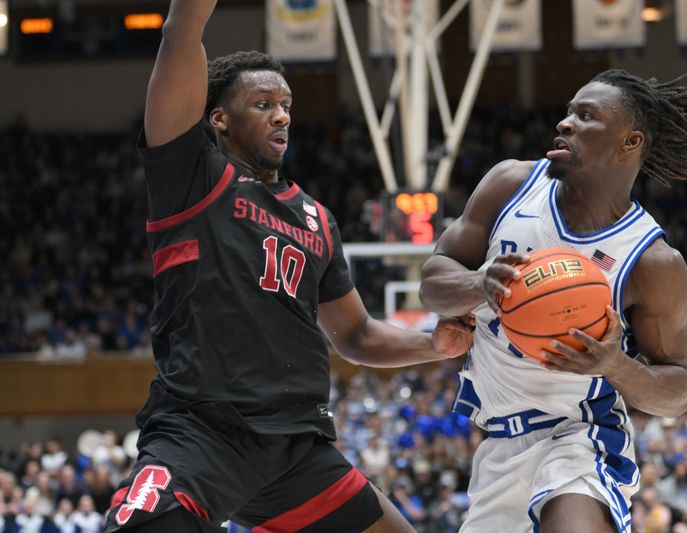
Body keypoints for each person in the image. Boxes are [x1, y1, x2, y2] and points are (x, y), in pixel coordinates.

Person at [103, 1, 473, 532]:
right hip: (206, 431)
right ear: (219, 118)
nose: (281, 115)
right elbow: (181, 34)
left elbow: (356, 335)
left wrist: (433, 345)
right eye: (263, 104)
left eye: (286, 104)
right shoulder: (192, 178)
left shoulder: (317, 219)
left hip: (296, 450)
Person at [419, 70, 687, 532]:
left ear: (630, 141)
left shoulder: (651, 261)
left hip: (581, 436)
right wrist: (479, 284)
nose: (565, 123)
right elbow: (432, 282)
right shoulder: (510, 184)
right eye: (568, 113)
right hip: (498, 446)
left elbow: (677, 392)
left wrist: (615, 365)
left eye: (586, 116)